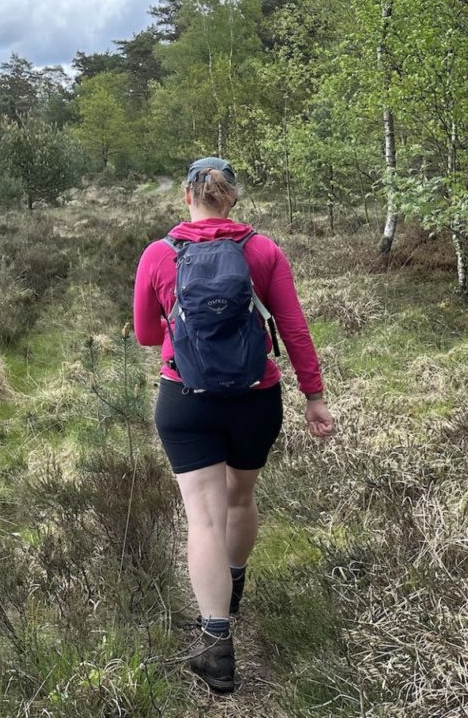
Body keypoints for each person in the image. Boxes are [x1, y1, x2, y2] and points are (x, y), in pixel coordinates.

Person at [133, 157, 336, 694]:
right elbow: (292, 327)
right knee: (240, 500)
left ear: (186, 197)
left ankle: (216, 647)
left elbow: (145, 334)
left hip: (184, 398)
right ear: (234, 198)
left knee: (202, 520)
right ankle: (235, 586)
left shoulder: (159, 254)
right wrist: (314, 396)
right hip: (256, 398)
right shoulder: (262, 251)